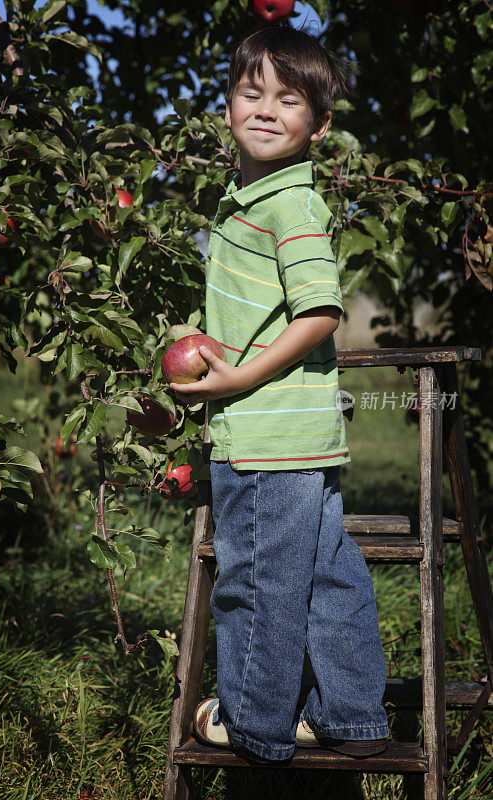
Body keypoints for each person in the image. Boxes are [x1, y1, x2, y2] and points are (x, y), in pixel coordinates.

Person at [169, 25, 389, 764]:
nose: (264, 109)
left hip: (266, 432)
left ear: (318, 126)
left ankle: (254, 723)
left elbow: (319, 312)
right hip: (297, 432)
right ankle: (353, 716)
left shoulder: (286, 205)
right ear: (227, 106)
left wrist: (232, 379)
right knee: (327, 573)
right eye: (249, 92)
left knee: (255, 581)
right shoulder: (254, 198)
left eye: (286, 100)